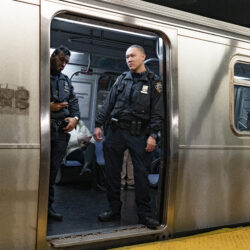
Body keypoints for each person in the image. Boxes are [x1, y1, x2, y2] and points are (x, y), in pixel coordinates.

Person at [94, 45, 163, 229]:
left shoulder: (154, 82)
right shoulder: (121, 79)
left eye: (132, 56)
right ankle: (114, 209)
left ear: (143, 57)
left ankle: (145, 215)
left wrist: (153, 135)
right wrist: (98, 124)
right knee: (112, 173)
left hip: (139, 133)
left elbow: (157, 112)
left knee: (141, 175)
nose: (129, 59)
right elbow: (108, 103)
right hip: (116, 131)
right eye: (127, 57)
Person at [49, 46, 80, 221]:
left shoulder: (66, 81)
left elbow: (73, 102)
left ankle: (47, 208)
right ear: (53, 55)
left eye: (66, 62)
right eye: (61, 60)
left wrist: (75, 118)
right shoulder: (38, 74)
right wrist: (48, 106)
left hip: (60, 131)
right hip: (43, 129)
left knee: (53, 172)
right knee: (39, 171)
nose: (63, 64)